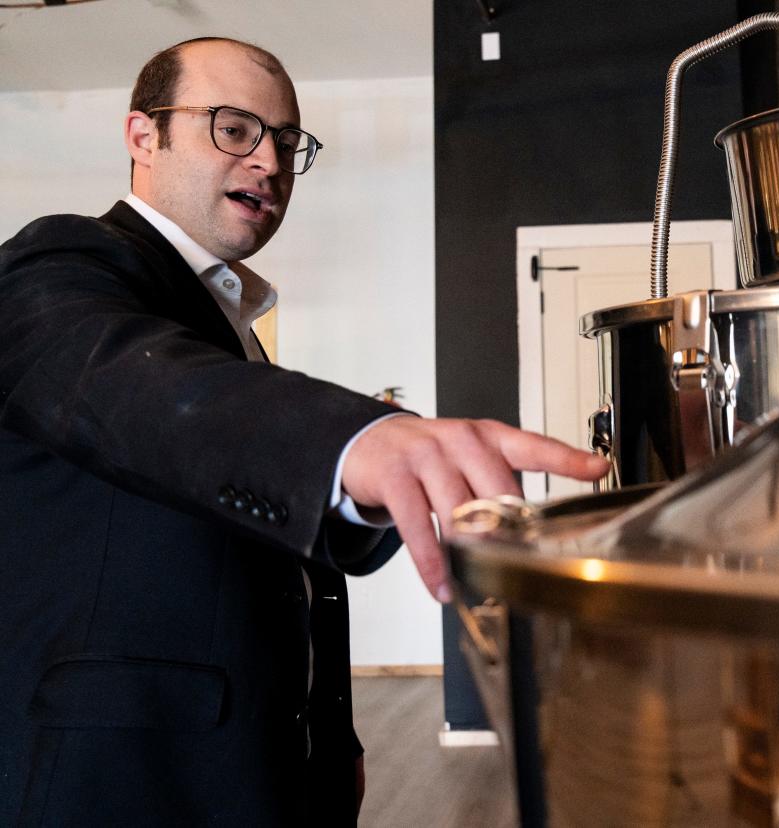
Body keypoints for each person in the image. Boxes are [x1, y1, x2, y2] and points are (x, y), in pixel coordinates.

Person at [0, 36, 607, 825]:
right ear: (143, 137)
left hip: (267, 771)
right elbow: (138, 388)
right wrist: (356, 439)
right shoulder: (63, 262)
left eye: (287, 142)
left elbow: (278, 567)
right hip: (122, 783)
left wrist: (331, 738)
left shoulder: (230, 318)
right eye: (233, 127)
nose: (270, 163)